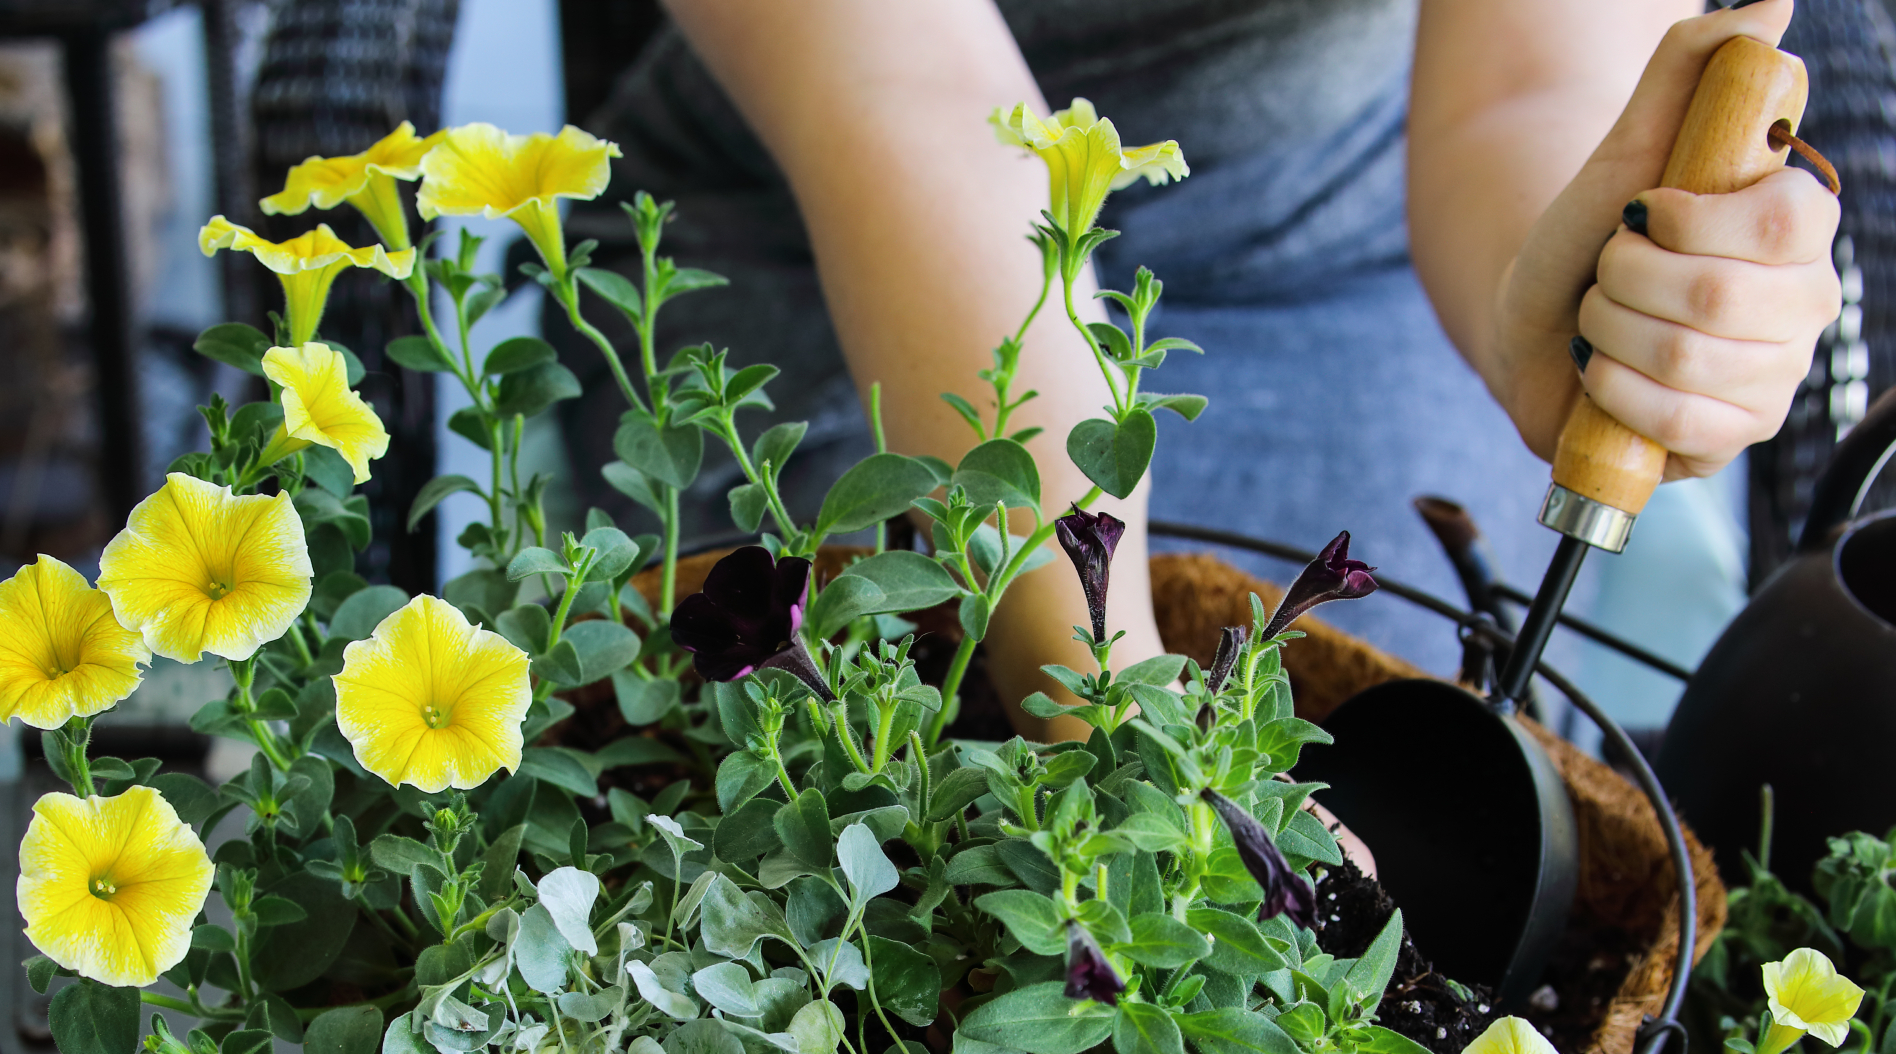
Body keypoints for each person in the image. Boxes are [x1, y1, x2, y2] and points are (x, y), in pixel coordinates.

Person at [560, 0, 1840, 729]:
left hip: (1337, 222)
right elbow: (908, 93)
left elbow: (1518, 76)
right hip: (821, 212)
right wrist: (1115, 730)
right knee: (876, 741)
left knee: (1401, 768)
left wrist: (1561, 290)